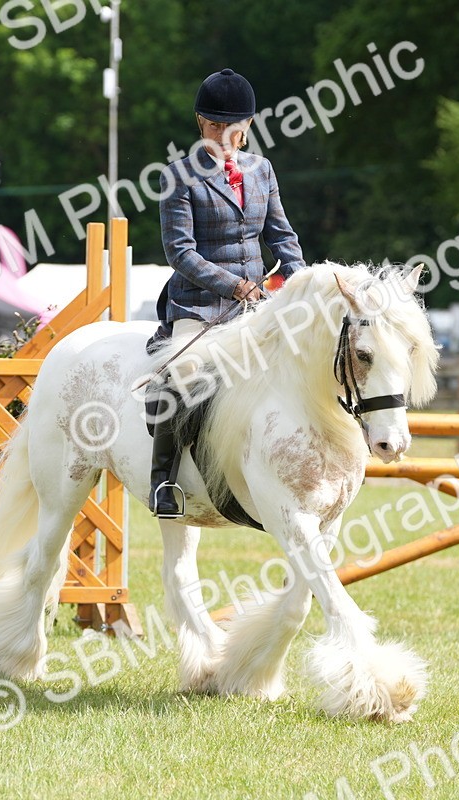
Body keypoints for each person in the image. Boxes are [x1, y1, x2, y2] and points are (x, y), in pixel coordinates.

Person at [149, 67, 307, 518]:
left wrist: (301, 284)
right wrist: (234, 285)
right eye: (214, 126)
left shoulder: (262, 171)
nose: (223, 135)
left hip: (255, 307)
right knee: (182, 372)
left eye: (232, 127)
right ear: (201, 124)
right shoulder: (178, 175)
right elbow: (180, 252)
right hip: (198, 304)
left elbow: (282, 237)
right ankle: (164, 483)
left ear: (249, 126)